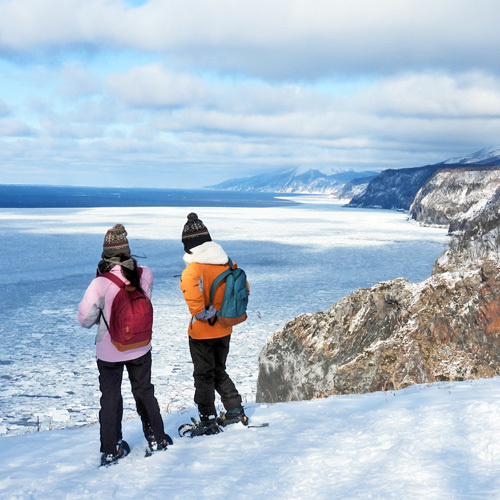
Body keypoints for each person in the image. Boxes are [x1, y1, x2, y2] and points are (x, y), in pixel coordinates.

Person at [78, 224, 172, 466]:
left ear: (106, 255)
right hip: (140, 346)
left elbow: (85, 320)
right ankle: (157, 439)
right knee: (144, 391)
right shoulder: (145, 273)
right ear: (128, 251)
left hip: (110, 351)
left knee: (110, 398)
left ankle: (111, 449)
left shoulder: (100, 283)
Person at [179, 213, 248, 436]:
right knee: (219, 370)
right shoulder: (228, 263)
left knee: (203, 376)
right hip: (225, 327)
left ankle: (208, 419)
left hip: (202, 332)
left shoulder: (195, 268)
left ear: (190, 245)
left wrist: (200, 313)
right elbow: (243, 287)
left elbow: (190, 290)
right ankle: (235, 409)